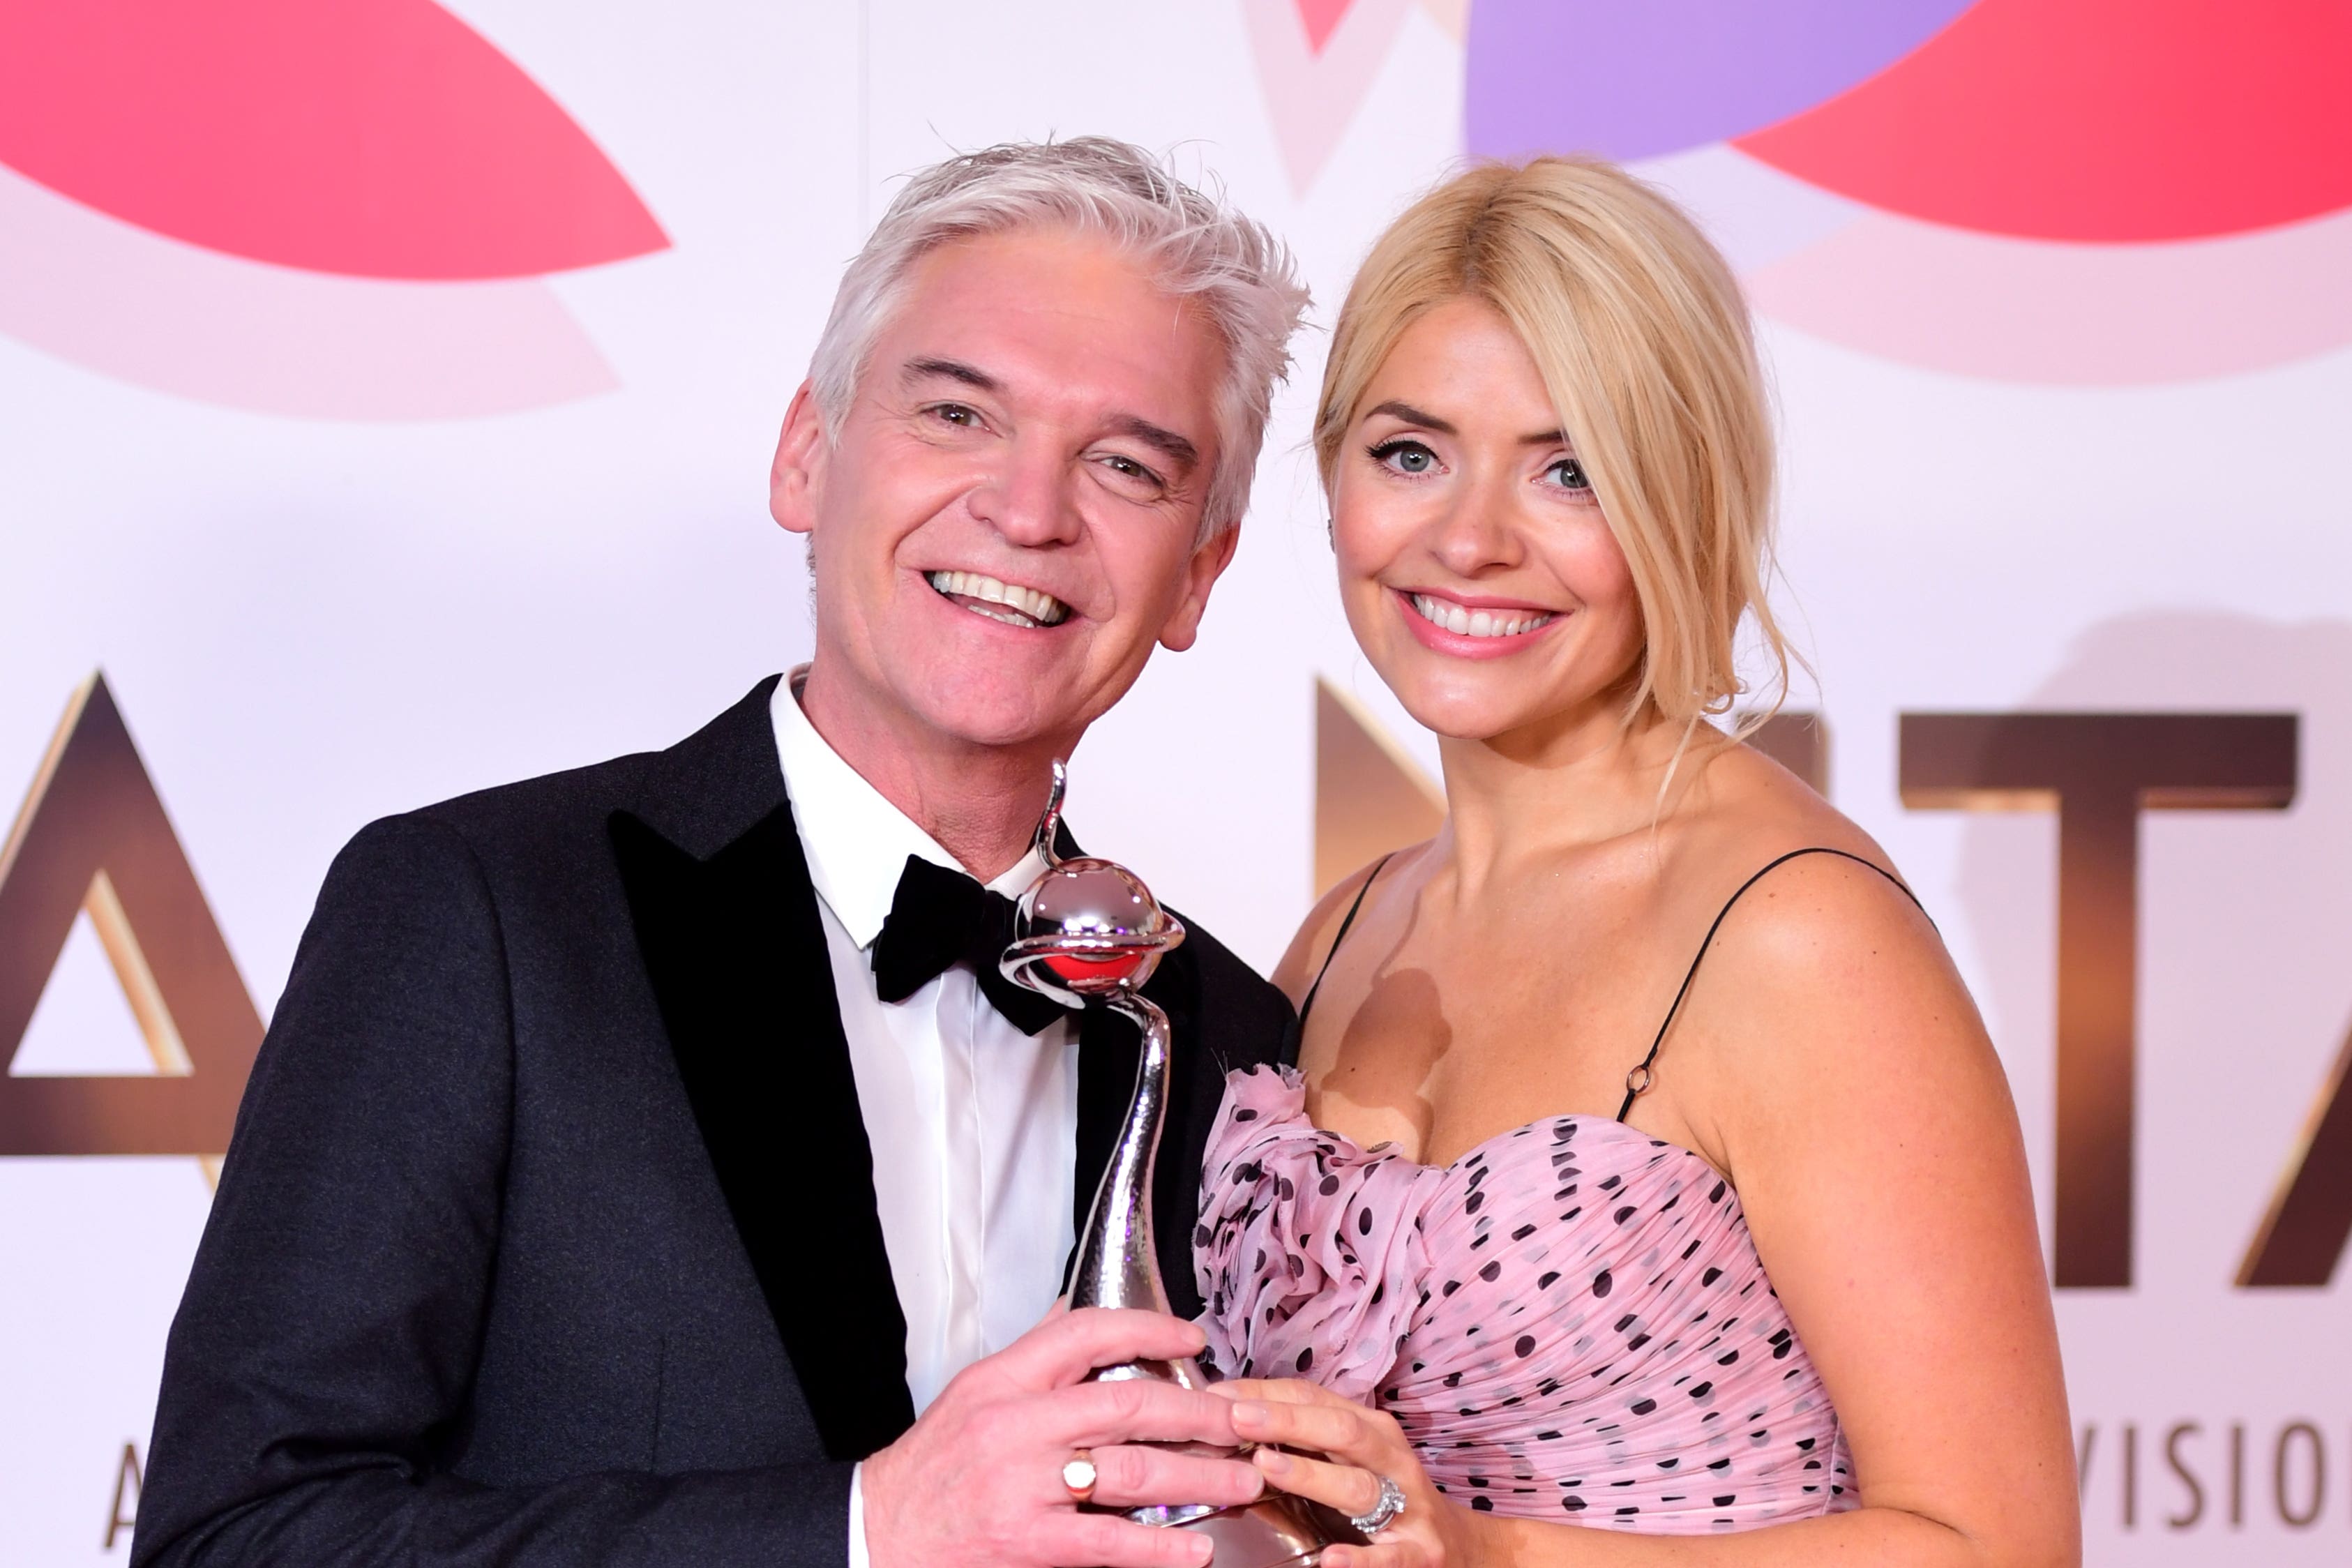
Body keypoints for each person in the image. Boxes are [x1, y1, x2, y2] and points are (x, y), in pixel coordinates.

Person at [132, 138, 1311, 1568]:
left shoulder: (1234, 1031)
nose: (1030, 508)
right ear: (806, 454)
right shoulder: (481, 913)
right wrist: (862, 1527)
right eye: (957, 412)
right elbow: (238, 1537)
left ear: (1199, 571)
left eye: (1125, 462)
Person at [1192, 159, 2079, 1566]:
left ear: (1683, 496)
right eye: (1410, 451)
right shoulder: (1345, 927)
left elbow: (1997, 1543)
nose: (1469, 539)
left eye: (1570, 469)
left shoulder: (1795, 932)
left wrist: (1489, 1554)